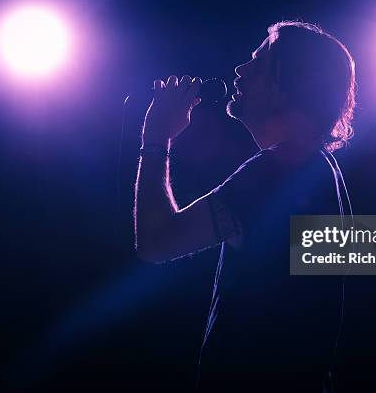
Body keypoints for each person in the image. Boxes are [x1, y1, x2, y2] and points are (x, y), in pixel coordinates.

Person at [134, 21, 356, 392]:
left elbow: (155, 243)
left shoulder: (279, 170)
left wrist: (156, 138)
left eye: (259, 61)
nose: (240, 70)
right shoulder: (317, 170)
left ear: (288, 84)